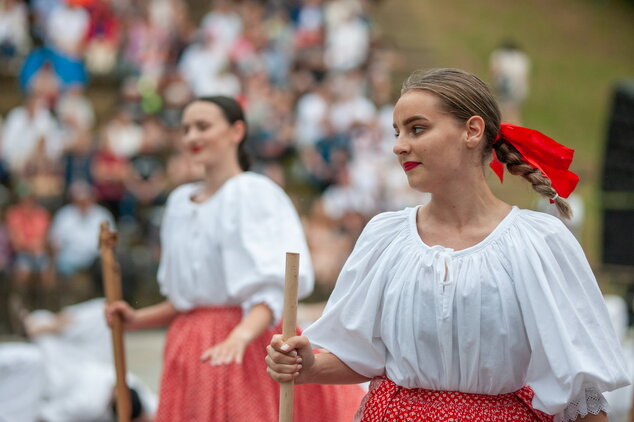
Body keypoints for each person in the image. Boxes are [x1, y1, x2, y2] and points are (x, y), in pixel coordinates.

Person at [265, 68, 630, 422]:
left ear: (472, 131)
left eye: (417, 128)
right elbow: (361, 356)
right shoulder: (385, 236)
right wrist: (307, 363)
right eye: (397, 132)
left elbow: (581, 389)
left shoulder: (539, 244)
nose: (398, 146)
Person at [105, 96, 365, 421]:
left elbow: (274, 290)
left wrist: (240, 336)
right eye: (186, 129)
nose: (192, 137)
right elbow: (188, 300)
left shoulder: (252, 192)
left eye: (203, 126)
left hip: (248, 345)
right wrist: (137, 319)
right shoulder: (179, 204)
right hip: (191, 349)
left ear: (236, 131)